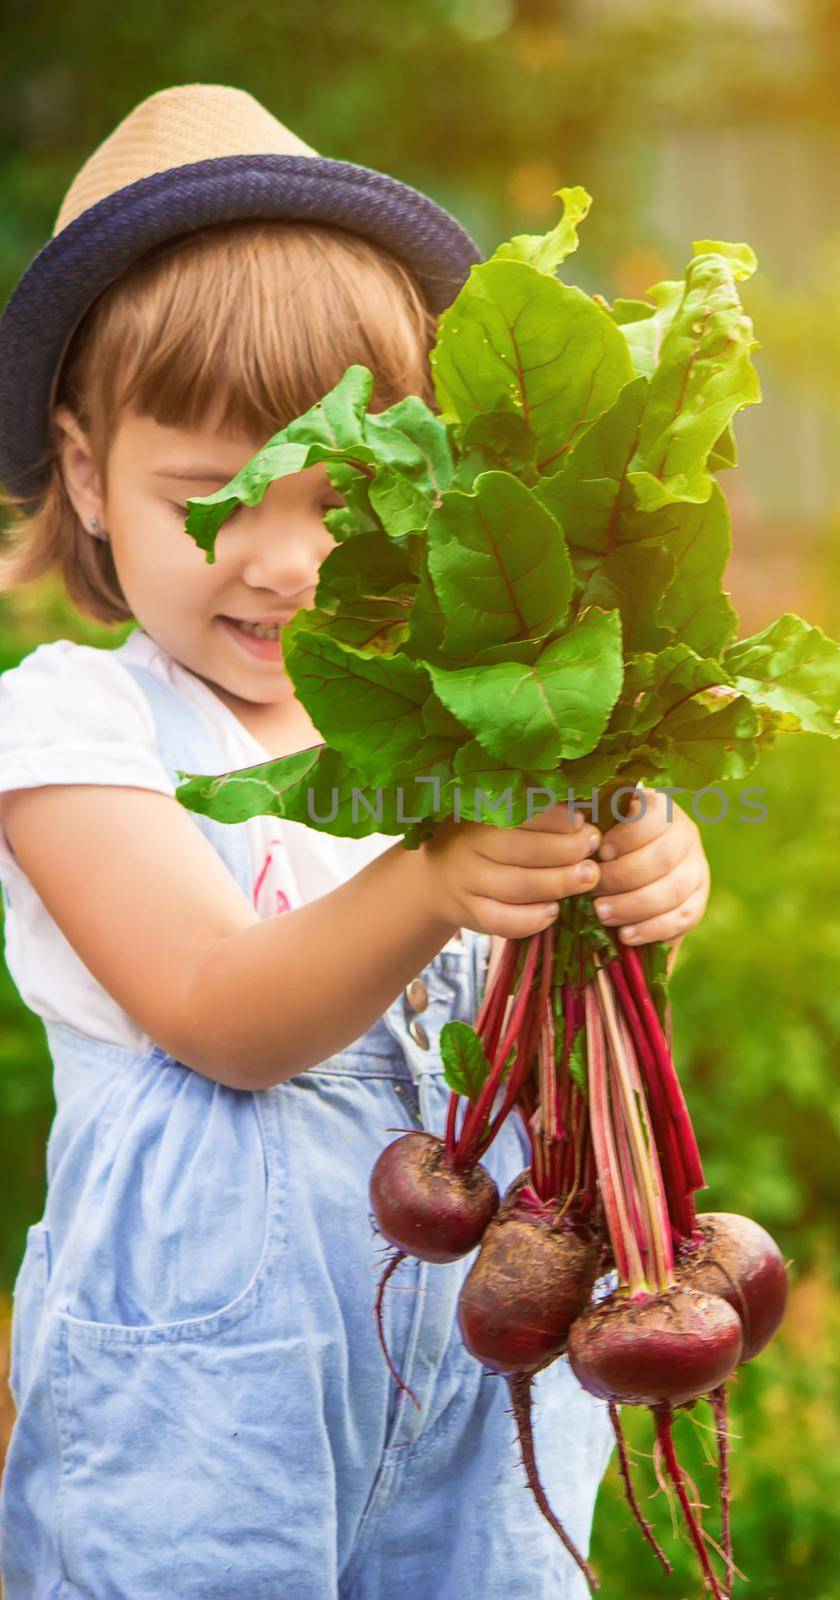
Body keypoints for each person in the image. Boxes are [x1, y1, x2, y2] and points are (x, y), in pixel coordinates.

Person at [0, 85, 711, 1599]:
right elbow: (219, 1013)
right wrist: (439, 876)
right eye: (209, 500)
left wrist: (646, 870)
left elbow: (553, 972)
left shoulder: (444, 729)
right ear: (84, 476)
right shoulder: (69, 729)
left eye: (349, 499)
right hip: (205, 1414)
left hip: (480, 1384)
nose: (280, 561)